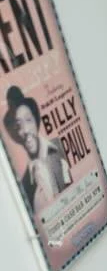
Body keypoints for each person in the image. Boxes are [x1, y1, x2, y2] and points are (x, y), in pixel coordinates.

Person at [2, 86, 70, 220]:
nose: (25, 130)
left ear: (36, 121)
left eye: (28, 120)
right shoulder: (25, 184)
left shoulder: (59, 151)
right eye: (18, 125)